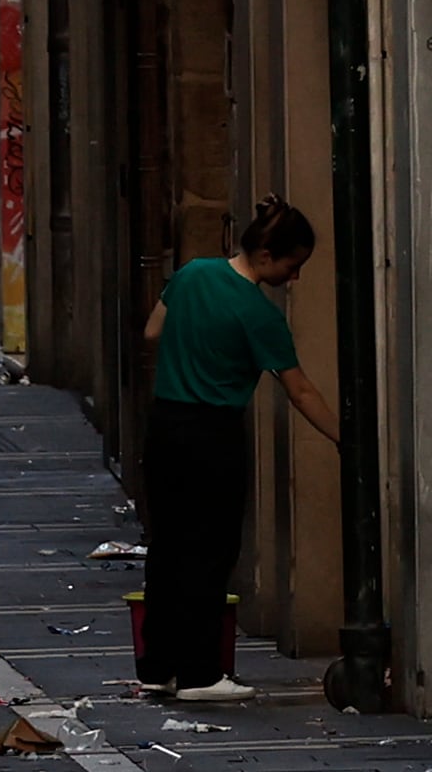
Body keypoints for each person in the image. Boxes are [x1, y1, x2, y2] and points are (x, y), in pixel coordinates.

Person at [137, 196, 341, 705]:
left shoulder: (192, 273)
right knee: (210, 551)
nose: (293, 279)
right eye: (293, 266)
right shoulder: (258, 314)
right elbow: (300, 391)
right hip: (212, 432)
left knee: (168, 546)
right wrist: (344, 438)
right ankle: (201, 673)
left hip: (164, 424)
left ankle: (158, 666)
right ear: (269, 254)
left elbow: (152, 330)